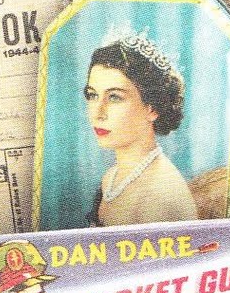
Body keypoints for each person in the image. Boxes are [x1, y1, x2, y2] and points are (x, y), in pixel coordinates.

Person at [83, 34, 198, 227]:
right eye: (92, 95)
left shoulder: (159, 199)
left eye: (114, 97)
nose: (98, 113)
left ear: (152, 109)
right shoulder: (111, 178)